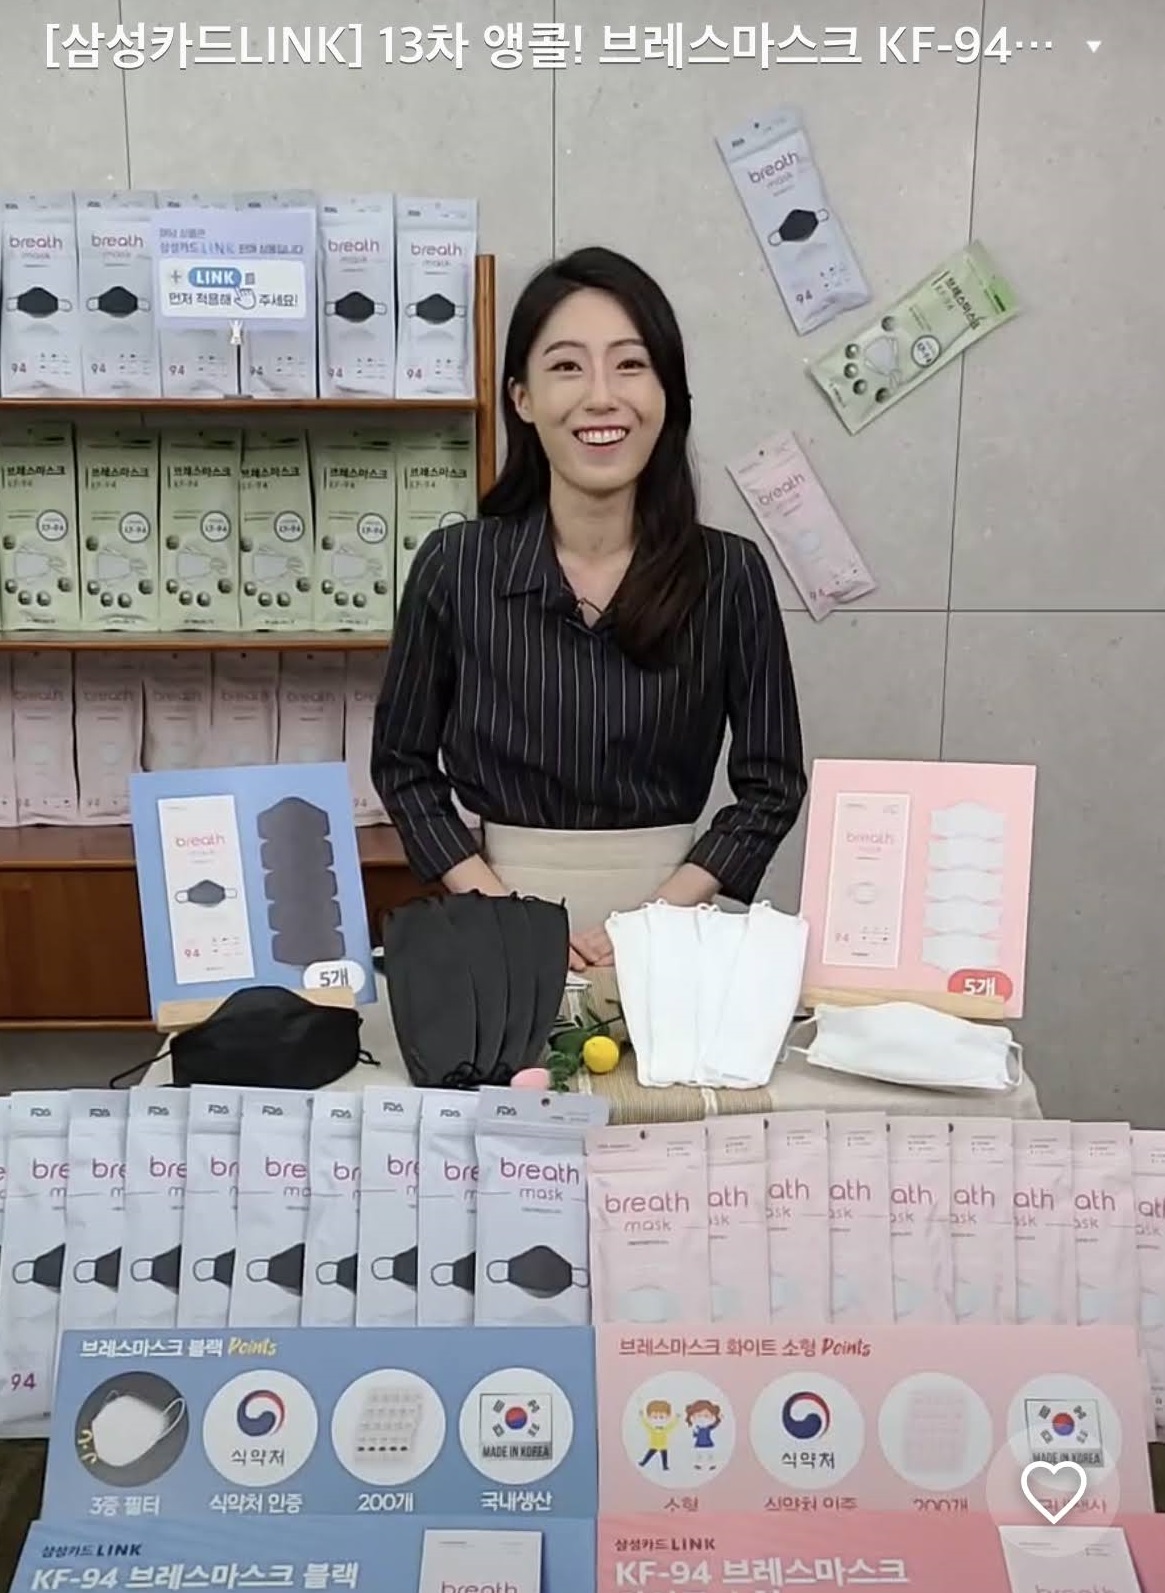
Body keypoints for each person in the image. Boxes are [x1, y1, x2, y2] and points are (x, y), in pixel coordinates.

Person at [371, 245, 807, 974]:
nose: (601, 396)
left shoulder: (730, 574)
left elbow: (773, 784)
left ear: (667, 394)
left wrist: (656, 918)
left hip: (673, 936)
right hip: (496, 934)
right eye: (567, 366)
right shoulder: (455, 566)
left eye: (630, 364)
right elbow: (402, 765)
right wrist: (504, 912)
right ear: (522, 398)